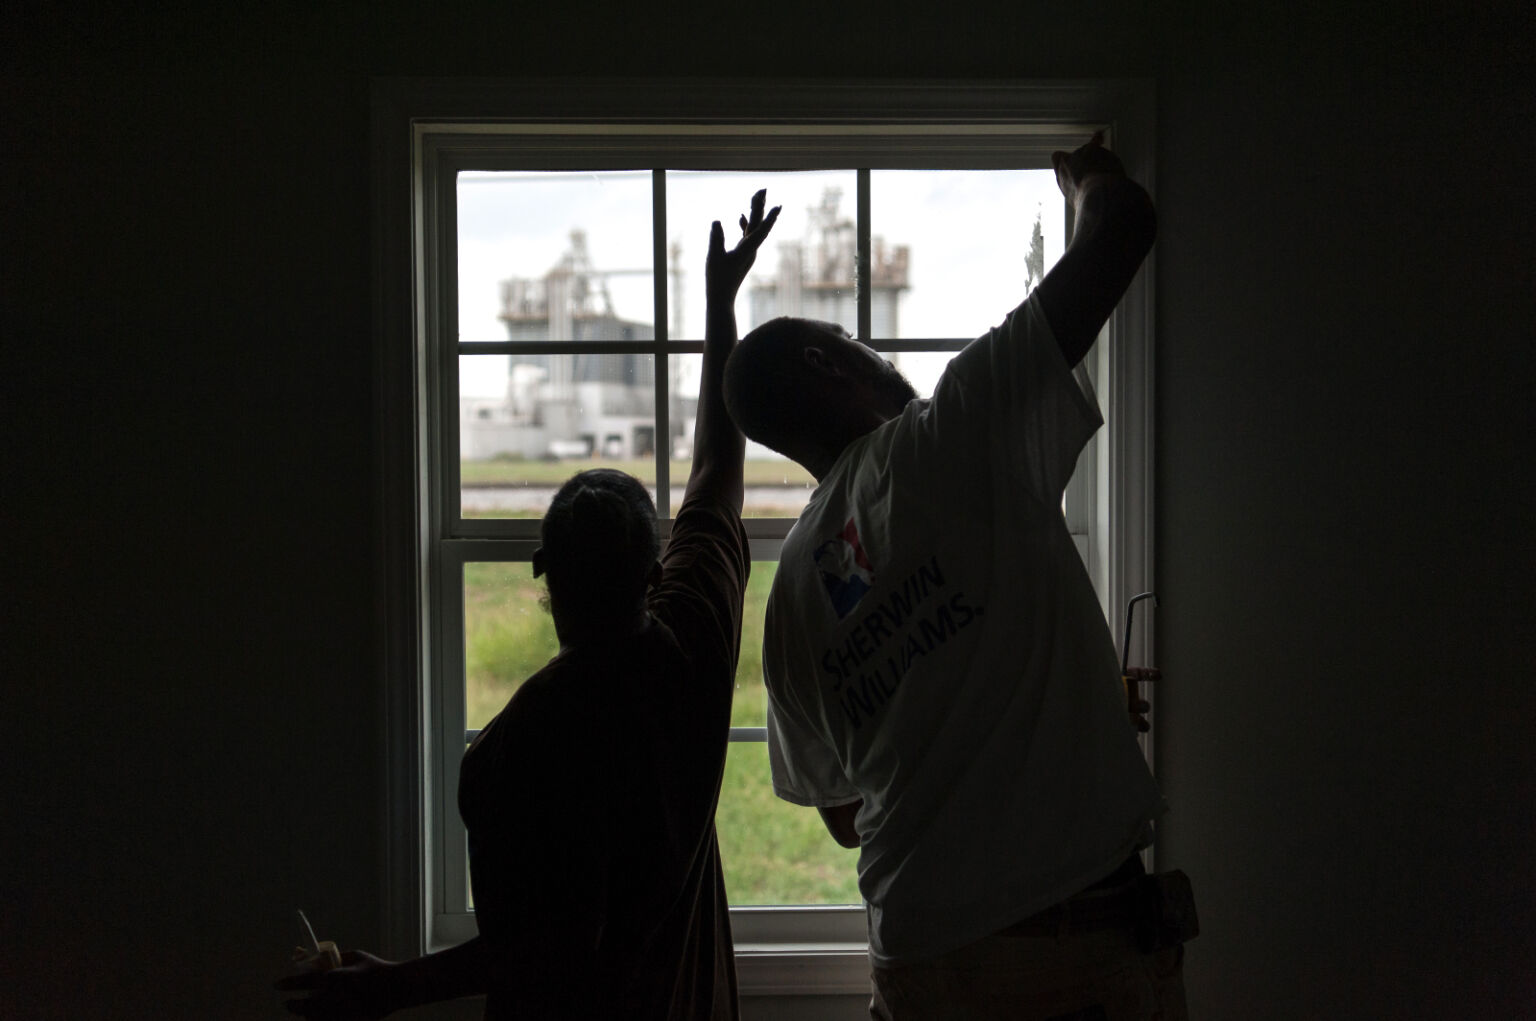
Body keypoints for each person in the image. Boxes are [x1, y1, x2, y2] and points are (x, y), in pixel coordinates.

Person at [277, 191, 781, 1020]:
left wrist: (388, 984)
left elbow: (543, 948)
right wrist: (720, 305)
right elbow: (715, 474)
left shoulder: (512, 750)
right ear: (653, 574)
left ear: (545, 577)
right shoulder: (694, 636)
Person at [721, 137, 1187, 1019]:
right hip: (1069, 946)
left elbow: (846, 816)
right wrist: (1086, 176)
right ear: (825, 364)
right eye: (850, 339)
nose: (875, 352)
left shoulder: (791, 598)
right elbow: (1123, 227)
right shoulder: (954, 431)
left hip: (915, 963)